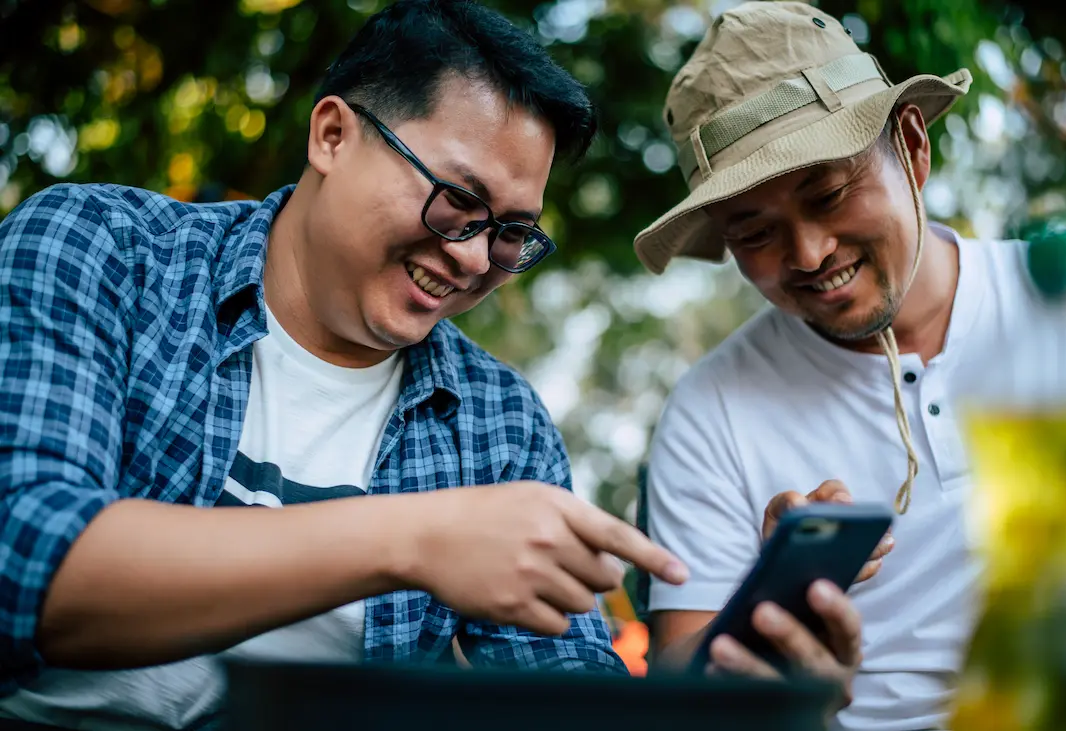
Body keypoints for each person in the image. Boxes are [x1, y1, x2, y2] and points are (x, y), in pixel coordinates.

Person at [0, 2, 701, 729]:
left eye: (510, 231)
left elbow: (565, 690)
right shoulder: (104, 251)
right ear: (332, 135)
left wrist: (733, 670)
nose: (471, 256)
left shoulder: (500, 421)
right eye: (458, 199)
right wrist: (414, 540)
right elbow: (26, 563)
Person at [633, 2, 1066, 731]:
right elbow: (677, 688)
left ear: (911, 146)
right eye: (754, 233)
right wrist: (764, 609)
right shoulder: (710, 408)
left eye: (828, 194)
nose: (809, 253)